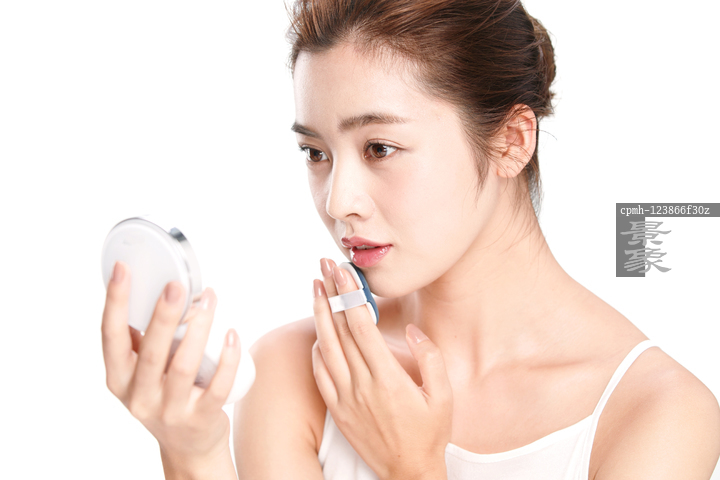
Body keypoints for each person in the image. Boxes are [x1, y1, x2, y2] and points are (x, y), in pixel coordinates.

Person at [101, 0, 720, 479]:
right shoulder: (298, 373)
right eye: (315, 152)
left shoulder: (655, 412)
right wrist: (194, 453)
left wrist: (414, 468)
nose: (337, 201)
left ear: (511, 141)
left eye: (379, 147)